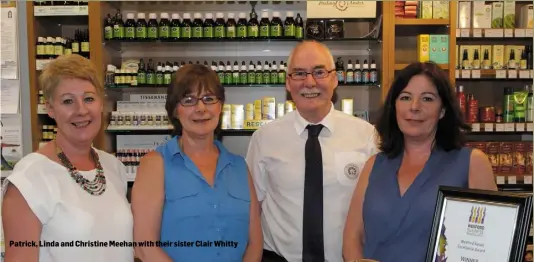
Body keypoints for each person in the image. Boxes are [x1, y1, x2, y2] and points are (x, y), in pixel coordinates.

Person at [342, 62, 497, 262]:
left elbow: (491, 244)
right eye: (405, 98)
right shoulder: (375, 165)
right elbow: (352, 237)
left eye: (427, 99)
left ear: (443, 110)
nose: (414, 107)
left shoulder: (471, 163)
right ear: (394, 106)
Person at [246, 40, 378, 262]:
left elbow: (377, 208)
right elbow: (252, 211)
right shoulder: (264, 139)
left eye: (319, 72)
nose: (309, 82)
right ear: (288, 83)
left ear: (335, 78)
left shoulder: (366, 136)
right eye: (299, 73)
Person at [1, 54, 133, 262]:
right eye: (68, 101)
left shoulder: (113, 167)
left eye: (89, 98)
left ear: (100, 103)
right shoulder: (29, 178)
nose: (81, 110)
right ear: (50, 108)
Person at [131, 64, 262, 262]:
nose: (201, 108)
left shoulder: (239, 167)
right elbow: (144, 246)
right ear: (175, 110)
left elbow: (255, 243)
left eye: (209, 99)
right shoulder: (155, 164)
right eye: (189, 100)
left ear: (220, 107)